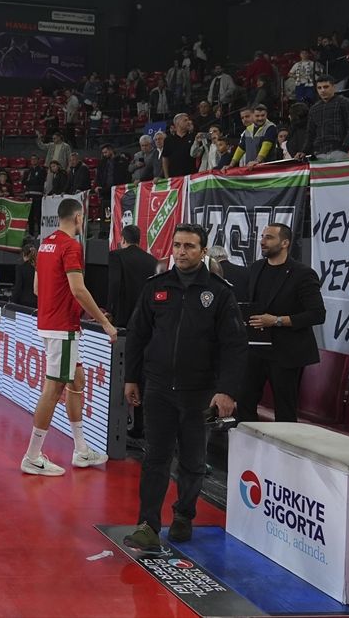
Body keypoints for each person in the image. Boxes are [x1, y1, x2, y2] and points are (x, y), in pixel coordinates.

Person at [122, 224, 246, 553]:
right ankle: (147, 526)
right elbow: (137, 335)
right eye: (177, 245)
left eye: (189, 246)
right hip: (158, 388)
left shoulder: (219, 293)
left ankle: (183, 514)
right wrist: (131, 377)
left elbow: (234, 345)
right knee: (155, 458)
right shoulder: (156, 287)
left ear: (203, 251)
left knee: (193, 461)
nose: (181, 251)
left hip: (200, 393)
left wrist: (227, 390)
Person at [21, 198, 118, 476]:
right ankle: (32, 456)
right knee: (53, 390)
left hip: (50, 323)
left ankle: (81, 449)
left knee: (77, 380)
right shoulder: (71, 246)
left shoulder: (45, 244)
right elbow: (78, 289)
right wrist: (105, 323)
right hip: (62, 327)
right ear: (78, 217)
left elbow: (38, 288)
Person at [241, 224, 326, 423]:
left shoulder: (302, 273)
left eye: (269, 237)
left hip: (287, 352)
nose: (262, 241)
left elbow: (317, 314)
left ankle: (283, 443)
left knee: (284, 409)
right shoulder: (255, 268)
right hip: (255, 349)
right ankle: (246, 441)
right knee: (245, 400)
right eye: (262, 236)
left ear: (285, 243)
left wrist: (277, 321)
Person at [107, 224, 158, 328]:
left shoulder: (116, 256)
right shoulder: (153, 261)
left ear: (123, 240)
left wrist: (110, 310)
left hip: (121, 315)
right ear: (139, 240)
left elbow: (114, 283)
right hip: (144, 316)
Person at [299, 75, 349, 161]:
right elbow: (310, 133)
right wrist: (304, 151)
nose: (322, 90)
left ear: (333, 87)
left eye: (326, 87)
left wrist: (344, 148)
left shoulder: (345, 103)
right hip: (319, 154)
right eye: (319, 88)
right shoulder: (314, 109)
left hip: (339, 152)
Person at [161, 114, 195, 178]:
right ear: (177, 123)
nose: (188, 122)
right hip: (174, 177)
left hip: (191, 176)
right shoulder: (168, 140)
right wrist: (166, 176)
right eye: (185, 120)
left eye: (188, 120)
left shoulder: (193, 137)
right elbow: (165, 158)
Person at [10, 244, 38, 308]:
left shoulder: (20, 268)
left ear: (23, 254)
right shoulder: (39, 267)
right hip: (37, 301)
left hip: (24, 302)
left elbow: (18, 286)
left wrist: (12, 301)